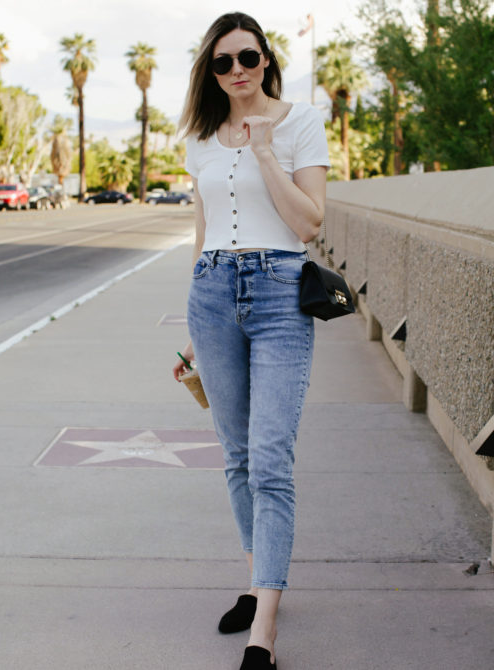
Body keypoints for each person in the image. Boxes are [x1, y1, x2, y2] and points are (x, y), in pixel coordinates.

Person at [173, 12, 330, 670]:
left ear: (266, 58)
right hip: (212, 296)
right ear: (210, 71)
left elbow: (309, 225)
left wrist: (265, 150)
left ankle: (263, 630)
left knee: (270, 462)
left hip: (277, 295)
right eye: (222, 62)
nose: (236, 71)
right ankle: (255, 579)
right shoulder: (201, 136)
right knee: (236, 459)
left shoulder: (301, 121)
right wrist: (191, 333)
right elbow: (203, 235)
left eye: (247, 57)